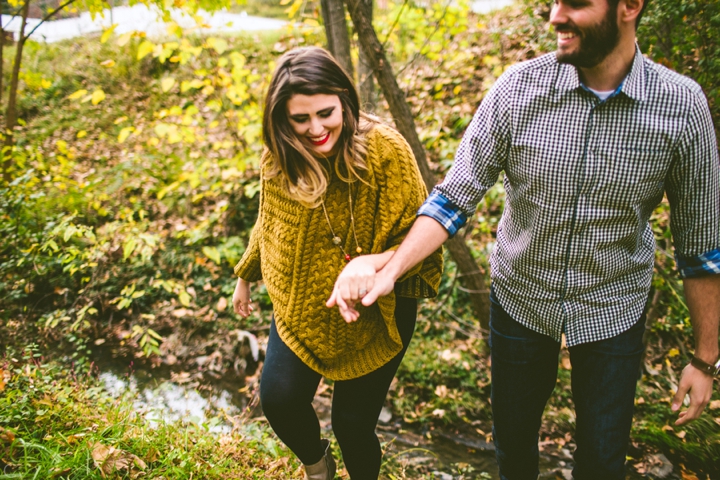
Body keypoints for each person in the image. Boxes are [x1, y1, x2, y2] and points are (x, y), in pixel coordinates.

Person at [330, 0, 720, 478]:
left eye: (575, 3)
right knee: (513, 453)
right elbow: (453, 199)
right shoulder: (518, 89)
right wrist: (389, 269)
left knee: (602, 459)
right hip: (521, 297)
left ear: (630, 7)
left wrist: (704, 361)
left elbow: (701, 248)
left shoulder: (681, 106)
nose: (555, 16)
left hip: (613, 306)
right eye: (554, 2)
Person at [231, 46, 442, 480]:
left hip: (378, 305)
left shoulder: (385, 151)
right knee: (279, 399)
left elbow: (422, 235)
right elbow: (270, 222)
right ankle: (317, 467)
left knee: (352, 425)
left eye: (325, 113)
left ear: (344, 99)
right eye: (300, 119)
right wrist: (247, 275)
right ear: (281, 118)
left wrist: (372, 263)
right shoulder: (279, 155)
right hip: (303, 300)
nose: (315, 129)